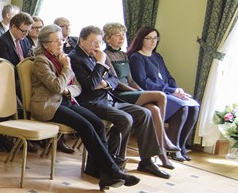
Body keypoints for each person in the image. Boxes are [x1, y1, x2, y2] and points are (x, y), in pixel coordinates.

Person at [28, 24, 140, 191]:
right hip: (47, 105)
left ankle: (102, 173)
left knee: (97, 123)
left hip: (65, 101)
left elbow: (78, 87)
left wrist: (67, 90)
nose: (60, 43)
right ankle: (112, 171)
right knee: (85, 126)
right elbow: (57, 86)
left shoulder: (62, 58)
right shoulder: (41, 61)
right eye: (56, 41)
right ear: (45, 44)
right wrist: (66, 69)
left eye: (61, 40)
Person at [70, 26, 169, 179]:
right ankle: (114, 163)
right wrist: (100, 63)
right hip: (89, 102)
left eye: (99, 42)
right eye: (94, 42)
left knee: (144, 113)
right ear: (82, 41)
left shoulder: (96, 54)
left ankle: (146, 161)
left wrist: (105, 83)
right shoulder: (75, 57)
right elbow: (90, 85)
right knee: (125, 119)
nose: (97, 46)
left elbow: (114, 79)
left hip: (107, 99)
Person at [102, 22, 176, 168]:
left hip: (130, 91)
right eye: (117, 35)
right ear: (107, 38)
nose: (121, 38)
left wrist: (139, 90)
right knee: (161, 96)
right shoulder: (106, 55)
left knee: (154, 109)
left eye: (123, 35)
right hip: (118, 94)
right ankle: (163, 141)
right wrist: (136, 91)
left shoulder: (123, 54)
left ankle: (155, 157)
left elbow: (131, 80)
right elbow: (116, 81)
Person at [128, 26, 201, 161]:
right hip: (153, 94)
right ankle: (172, 148)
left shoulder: (157, 56)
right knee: (182, 107)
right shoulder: (136, 57)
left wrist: (177, 89)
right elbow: (143, 82)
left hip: (167, 91)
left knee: (194, 106)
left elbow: (168, 76)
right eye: (149, 38)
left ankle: (181, 146)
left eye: (155, 38)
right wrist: (171, 91)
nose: (153, 41)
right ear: (141, 39)